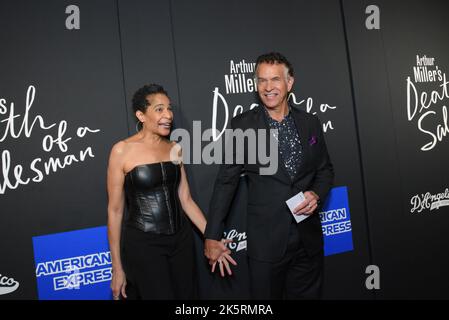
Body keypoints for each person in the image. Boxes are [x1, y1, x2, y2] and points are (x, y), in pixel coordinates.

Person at [204, 52, 334, 299]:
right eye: (262, 80)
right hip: (266, 241)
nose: (268, 87)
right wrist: (212, 234)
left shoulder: (310, 122)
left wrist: (316, 193)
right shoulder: (243, 125)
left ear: (289, 83)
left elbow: (325, 170)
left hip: (307, 239)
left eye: (275, 79)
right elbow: (226, 180)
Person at [107, 84, 236, 300]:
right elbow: (115, 211)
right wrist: (117, 268)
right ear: (141, 115)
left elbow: (185, 200)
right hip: (144, 244)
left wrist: (211, 237)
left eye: (169, 108)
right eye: (159, 109)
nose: (168, 115)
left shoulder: (174, 148)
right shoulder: (121, 150)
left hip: (181, 242)